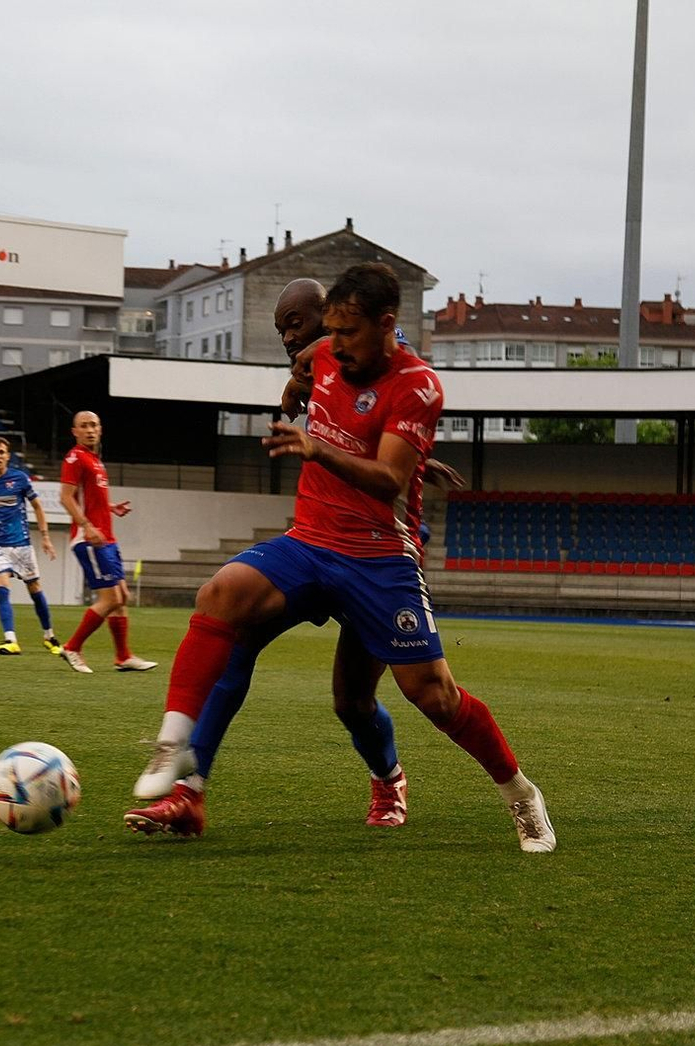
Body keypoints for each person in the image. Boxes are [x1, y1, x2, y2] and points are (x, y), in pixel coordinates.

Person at [128, 263, 555, 852]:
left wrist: (326, 448)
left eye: (325, 329)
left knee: (398, 698)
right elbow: (313, 377)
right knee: (223, 602)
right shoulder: (325, 352)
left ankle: (512, 793)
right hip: (311, 540)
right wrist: (296, 388)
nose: (317, 342)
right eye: (316, 331)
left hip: (379, 558)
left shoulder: (416, 382)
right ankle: (183, 773)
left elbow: (387, 477)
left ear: (382, 325)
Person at [126, 279, 412, 837]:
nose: (287, 338)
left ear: (331, 315)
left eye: (295, 324)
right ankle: (189, 793)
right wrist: (300, 375)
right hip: (312, 544)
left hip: (373, 557)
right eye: (281, 329)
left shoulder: (377, 351)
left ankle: (389, 778)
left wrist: (306, 364)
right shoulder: (318, 375)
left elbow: (396, 352)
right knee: (233, 640)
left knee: (352, 702)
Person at [56, 410, 156, 674]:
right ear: (74, 431)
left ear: (100, 429)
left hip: (107, 537)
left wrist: (109, 507)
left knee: (121, 597)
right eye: (84, 426)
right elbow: (65, 497)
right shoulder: (75, 457)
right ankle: (72, 647)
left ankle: (123, 657)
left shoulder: (95, 460)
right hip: (89, 538)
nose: (90, 430)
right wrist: (86, 525)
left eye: (94, 425)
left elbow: (88, 497)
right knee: (111, 599)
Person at [0, 436, 61, 655]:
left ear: (8, 456)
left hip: (21, 544)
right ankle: (11, 640)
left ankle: (49, 636)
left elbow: (38, 507)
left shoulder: (19, 478)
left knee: (35, 589)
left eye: (1, 452)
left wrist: (45, 537)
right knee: (2, 589)